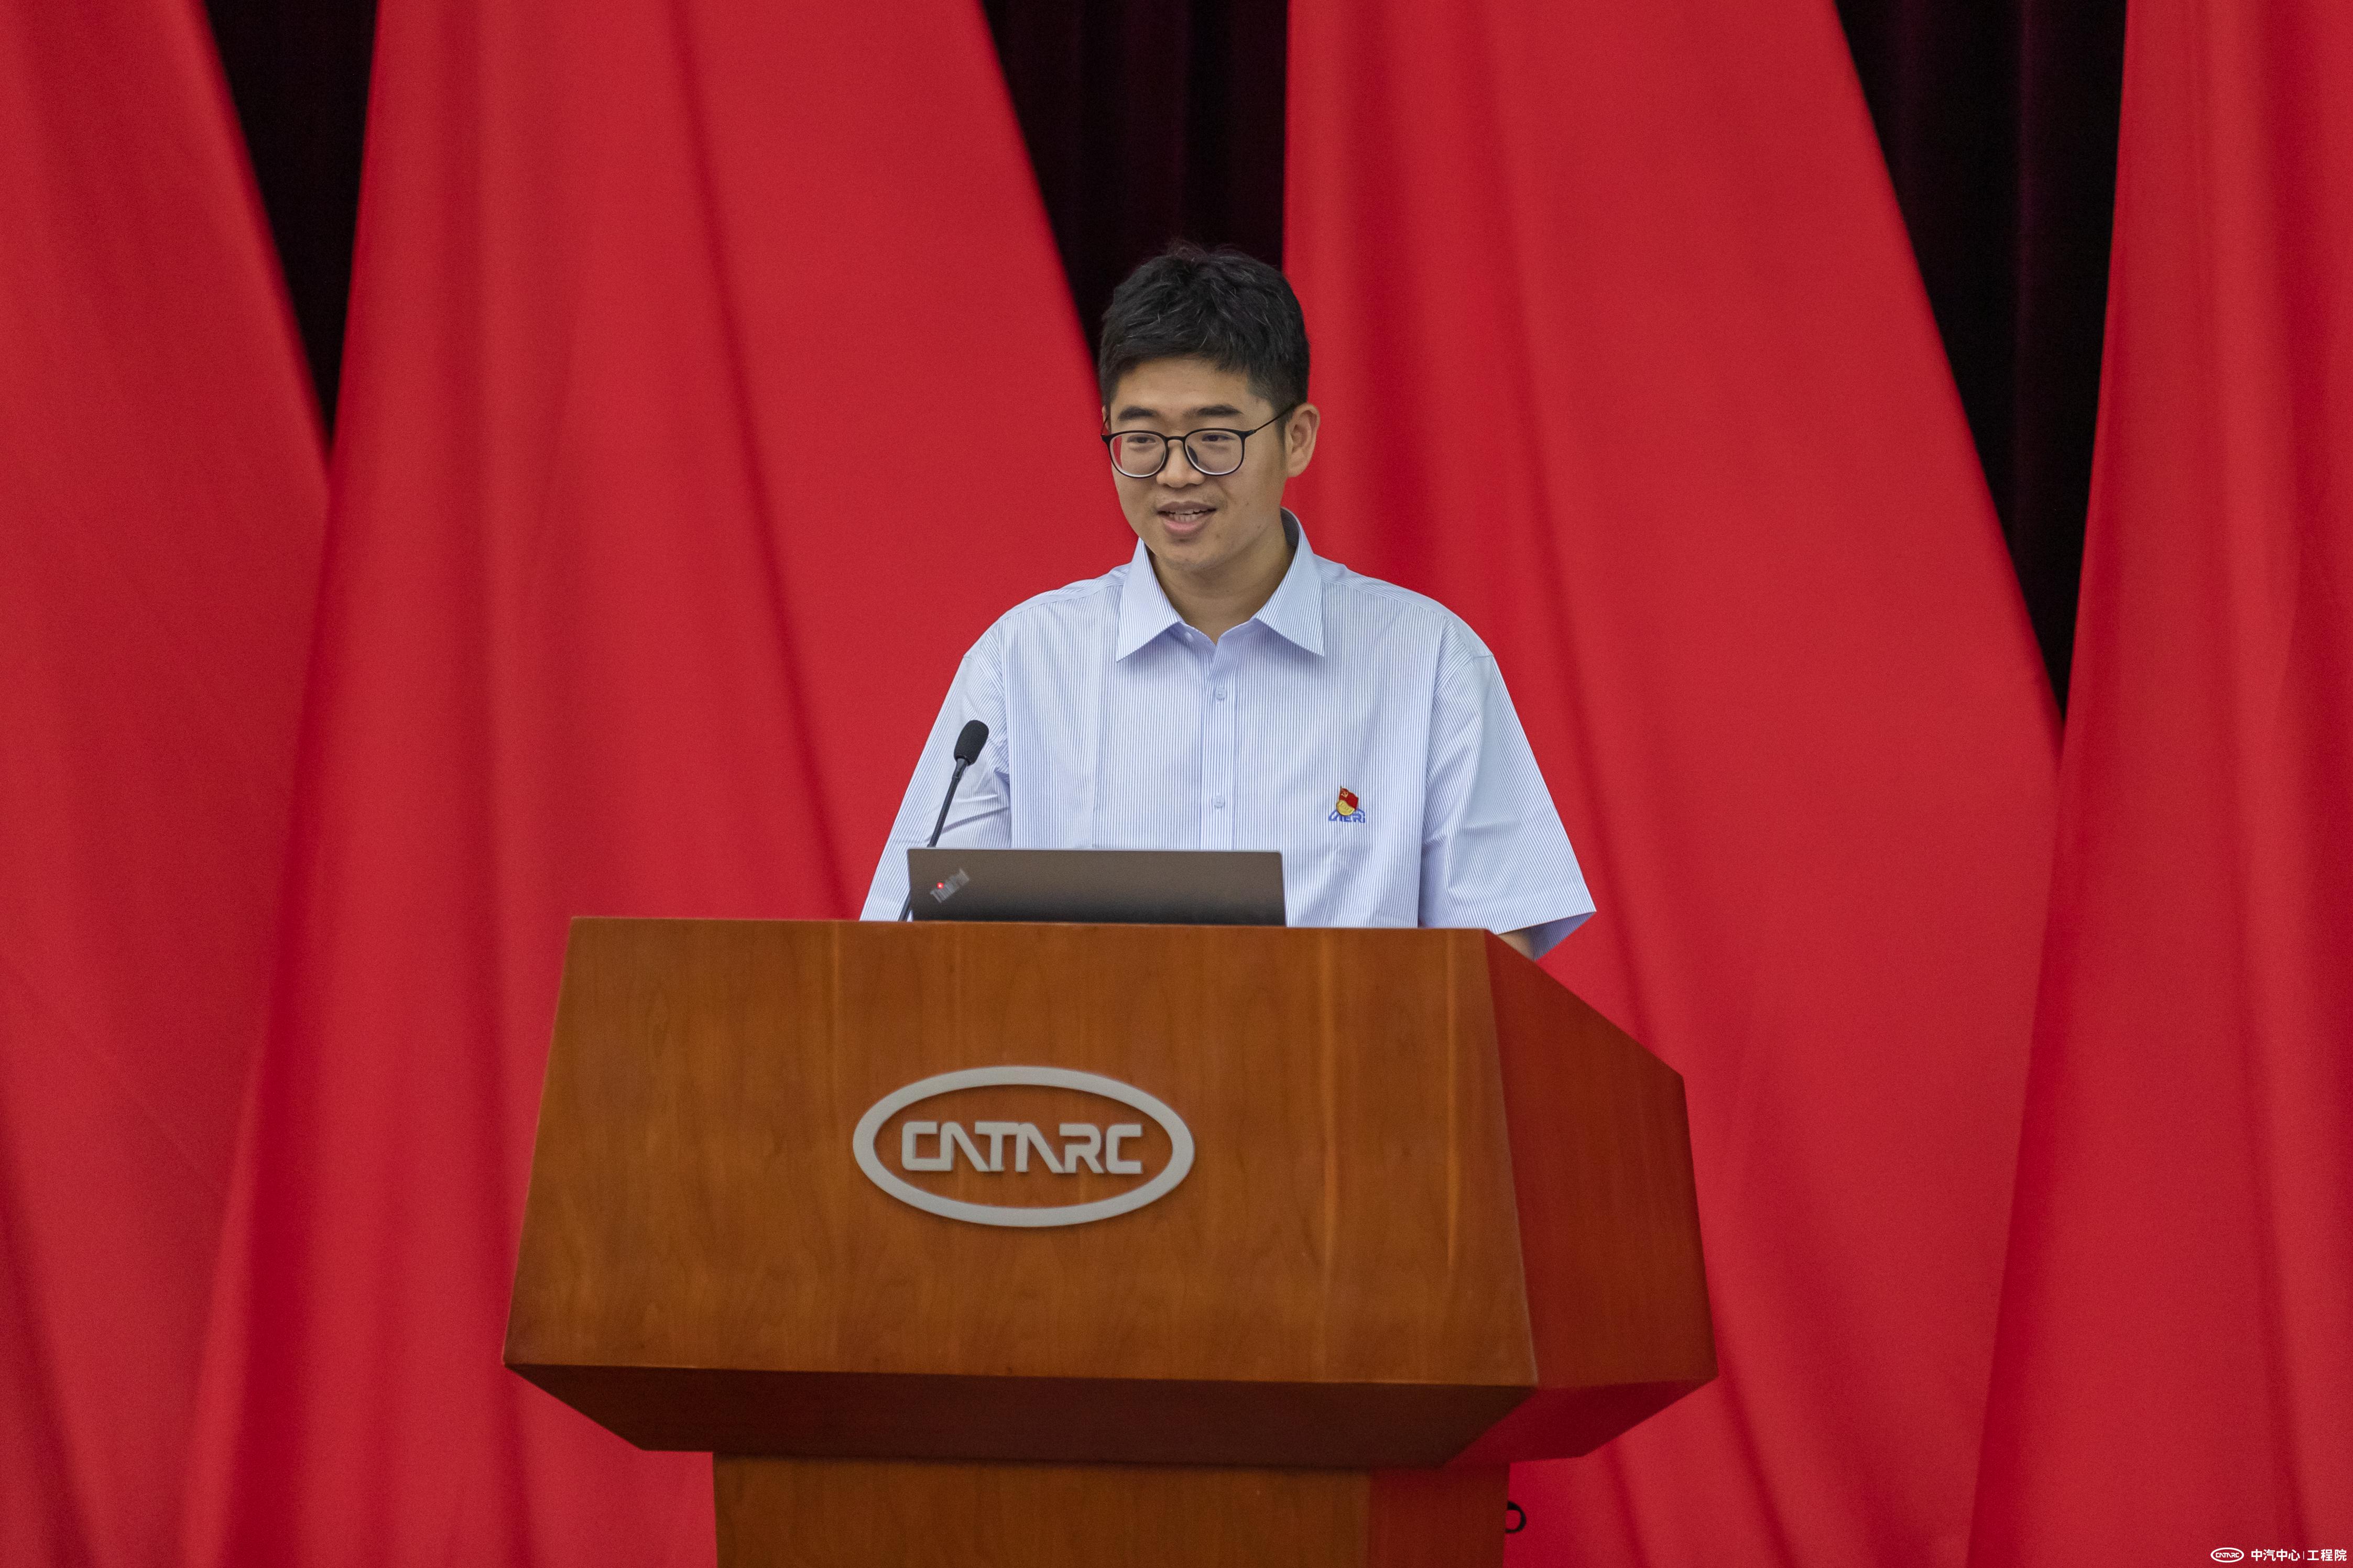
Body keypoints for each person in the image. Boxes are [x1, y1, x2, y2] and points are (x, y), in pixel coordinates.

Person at [860, 243, 1593, 958]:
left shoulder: (1428, 660)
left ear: (1297, 438)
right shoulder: (1021, 660)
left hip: (1341, 1048)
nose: (1176, 474)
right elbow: (921, 925)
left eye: (1214, 437)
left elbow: (1498, 942)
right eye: (1141, 439)